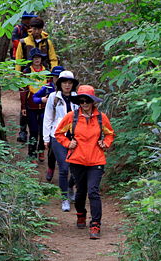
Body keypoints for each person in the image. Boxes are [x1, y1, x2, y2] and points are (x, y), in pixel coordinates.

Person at [54, 85, 115, 240]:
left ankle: (95, 224)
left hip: (96, 160)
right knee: (81, 192)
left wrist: (105, 143)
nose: (84, 103)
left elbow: (110, 134)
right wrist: (68, 143)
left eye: (87, 100)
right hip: (77, 160)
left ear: (93, 101)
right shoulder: (71, 117)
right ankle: (81, 213)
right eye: (81, 101)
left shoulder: (101, 117)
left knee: (93, 190)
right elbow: (59, 133)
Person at [42, 70, 79, 211]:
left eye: (70, 83)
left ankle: (70, 187)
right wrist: (46, 138)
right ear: (60, 84)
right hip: (58, 136)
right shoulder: (53, 97)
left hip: (76, 137)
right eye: (64, 82)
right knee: (63, 169)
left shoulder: (78, 98)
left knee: (77, 169)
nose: (67, 85)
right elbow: (48, 117)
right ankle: (65, 198)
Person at [32, 65, 64, 181]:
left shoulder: (70, 92)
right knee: (51, 150)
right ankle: (51, 167)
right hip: (50, 122)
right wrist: (42, 100)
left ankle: (65, 172)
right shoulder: (47, 87)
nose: (57, 79)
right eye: (55, 77)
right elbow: (34, 97)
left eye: (59, 77)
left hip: (66, 124)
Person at [20, 48, 49, 161]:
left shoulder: (46, 71)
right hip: (31, 106)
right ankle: (32, 154)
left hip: (44, 106)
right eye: (35, 57)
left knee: (43, 130)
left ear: (41, 58)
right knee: (33, 131)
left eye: (39, 57)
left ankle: (41, 151)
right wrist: (23, 106)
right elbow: (23, 90)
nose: (37, 59)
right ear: (32, 59)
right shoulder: (27, 72)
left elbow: (50, 87)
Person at [12, 11, 37, 144]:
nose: (28, 21)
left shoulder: (38, 35)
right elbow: (15, 43)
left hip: (37, 70)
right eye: (26, 18)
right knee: (25, 102)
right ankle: (22, 131)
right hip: (23, 68)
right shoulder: (19, 29)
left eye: (30, 18)